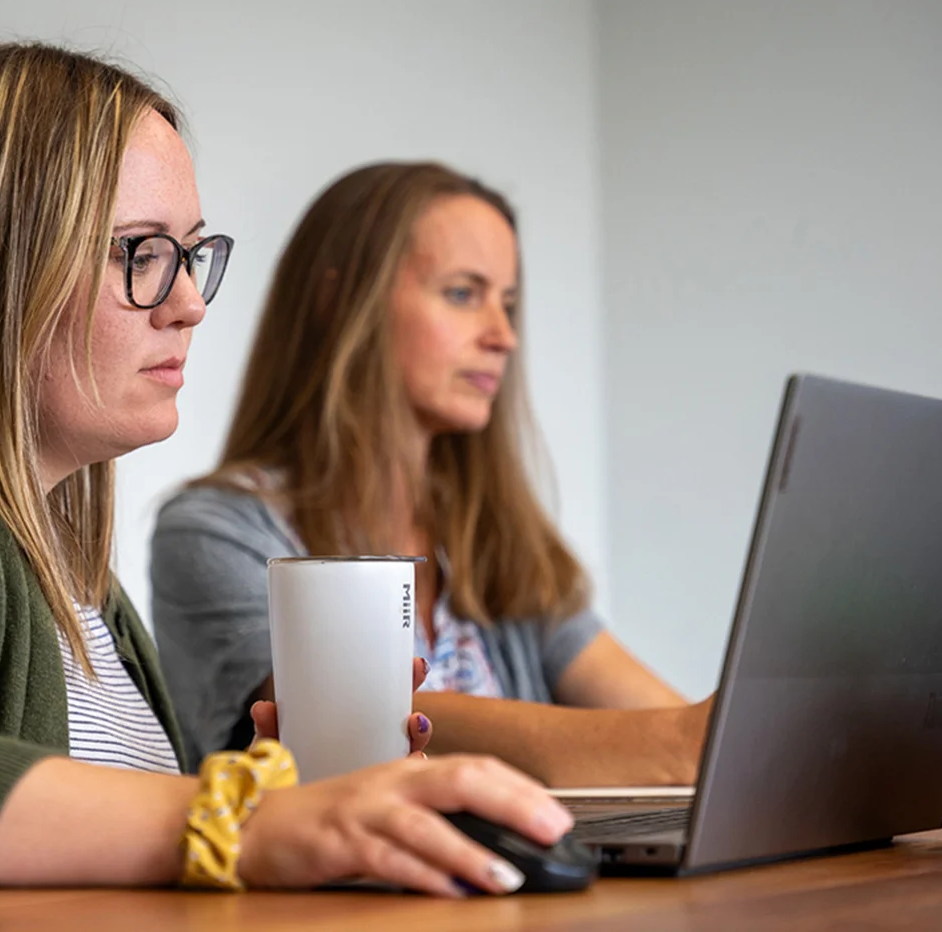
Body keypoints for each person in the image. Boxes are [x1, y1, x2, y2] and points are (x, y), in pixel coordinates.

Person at [0, 44, 574, 896]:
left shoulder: (77, 581)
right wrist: (238, 819)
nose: (188, 305)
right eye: (142, 253)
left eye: (192, 256)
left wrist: (275, 785)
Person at [151, 161, 712, 787]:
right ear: (339, 302)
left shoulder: (495, 539)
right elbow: (343, 722)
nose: (504, 336)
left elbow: (666, 718)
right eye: (463, 294)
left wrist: (708, 739)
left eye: (508, 304)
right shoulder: (214, 533)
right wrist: (686, 743)